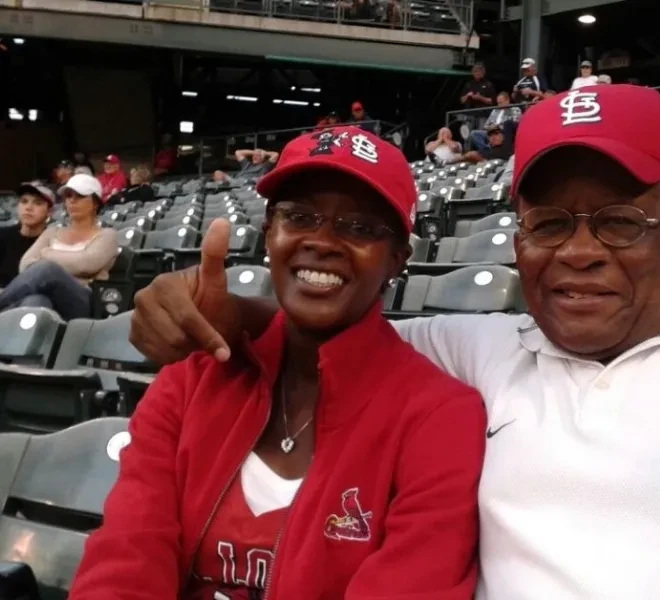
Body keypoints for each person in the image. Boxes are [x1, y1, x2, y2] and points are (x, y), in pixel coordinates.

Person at [130, 85, 660, 598]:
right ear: (518, 242)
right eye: (549, 224)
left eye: (618, 222)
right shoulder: (476, 352)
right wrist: (223, 311)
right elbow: (327, 328)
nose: (579, 252)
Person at [68, 126, 485, 600]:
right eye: (299, 216)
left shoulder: (439, 418)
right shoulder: (190, 381)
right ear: (269, 233)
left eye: (360, 228)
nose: (322, 242)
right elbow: (125, 562)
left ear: (396, 260)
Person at [0, 174, 116, 320]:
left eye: (80, 196)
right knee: (36, 301)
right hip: (49, 298)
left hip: (82, 301)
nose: (72, 200)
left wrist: (47, 253)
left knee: (47, 269)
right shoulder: (52, 232)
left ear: (95, 203)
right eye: (68, 196)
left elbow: (85, 264)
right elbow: (25, 265)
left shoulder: (107, 235)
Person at [0, 182, 53, 289]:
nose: (28, 207)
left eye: (38, 203)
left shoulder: (53, 242)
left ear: (49, 212)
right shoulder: (2, 236)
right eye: (24, 201)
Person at [213, 148, 280, 183]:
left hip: (246, 183)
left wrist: (264, 153)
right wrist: (254, 152)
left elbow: (275, 155)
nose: (254, 157)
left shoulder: (265, 166)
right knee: (217, 172)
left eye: (257, 156)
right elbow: (238, 152)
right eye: (253, 156)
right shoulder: (247, 165)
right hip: (234, 181)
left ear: (263, 158)